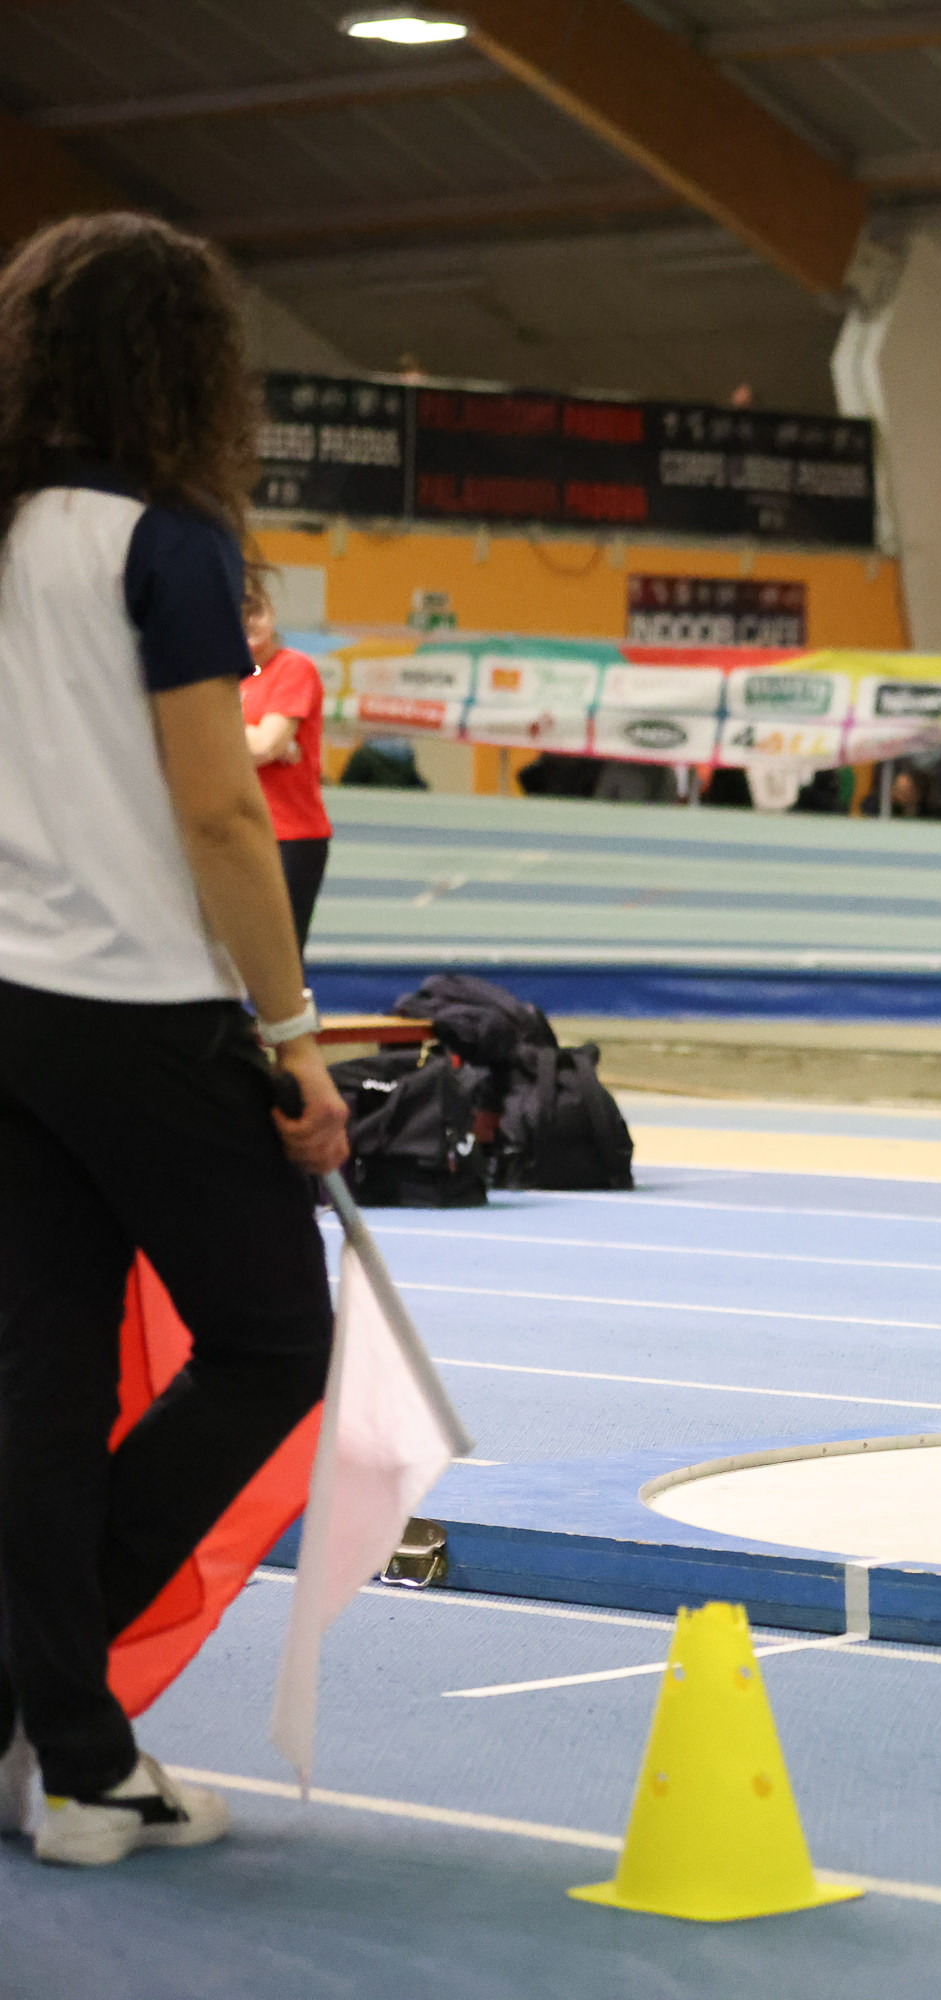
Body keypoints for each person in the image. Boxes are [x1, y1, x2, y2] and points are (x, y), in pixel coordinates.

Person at [0, 212, 350, 1866]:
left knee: (46, 1383)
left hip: (6, 1006)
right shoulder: (170, 544)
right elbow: (221, 812)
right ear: (189, 371)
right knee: (276, 1340)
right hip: (135, 1003)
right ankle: (50, 1699)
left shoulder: (10, 531)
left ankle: (73, 1758)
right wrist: (294, 1038)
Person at [237, 571, 329, 952]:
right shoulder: (220, 677)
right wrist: (255, 735)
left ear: (272, 613)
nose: (248, 621)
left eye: (255, 611)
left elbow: (265, 747)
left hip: (289, 836)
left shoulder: (293, 668)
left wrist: (220, 733)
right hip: (235, 830)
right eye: (238, 613)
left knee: (279, 957)